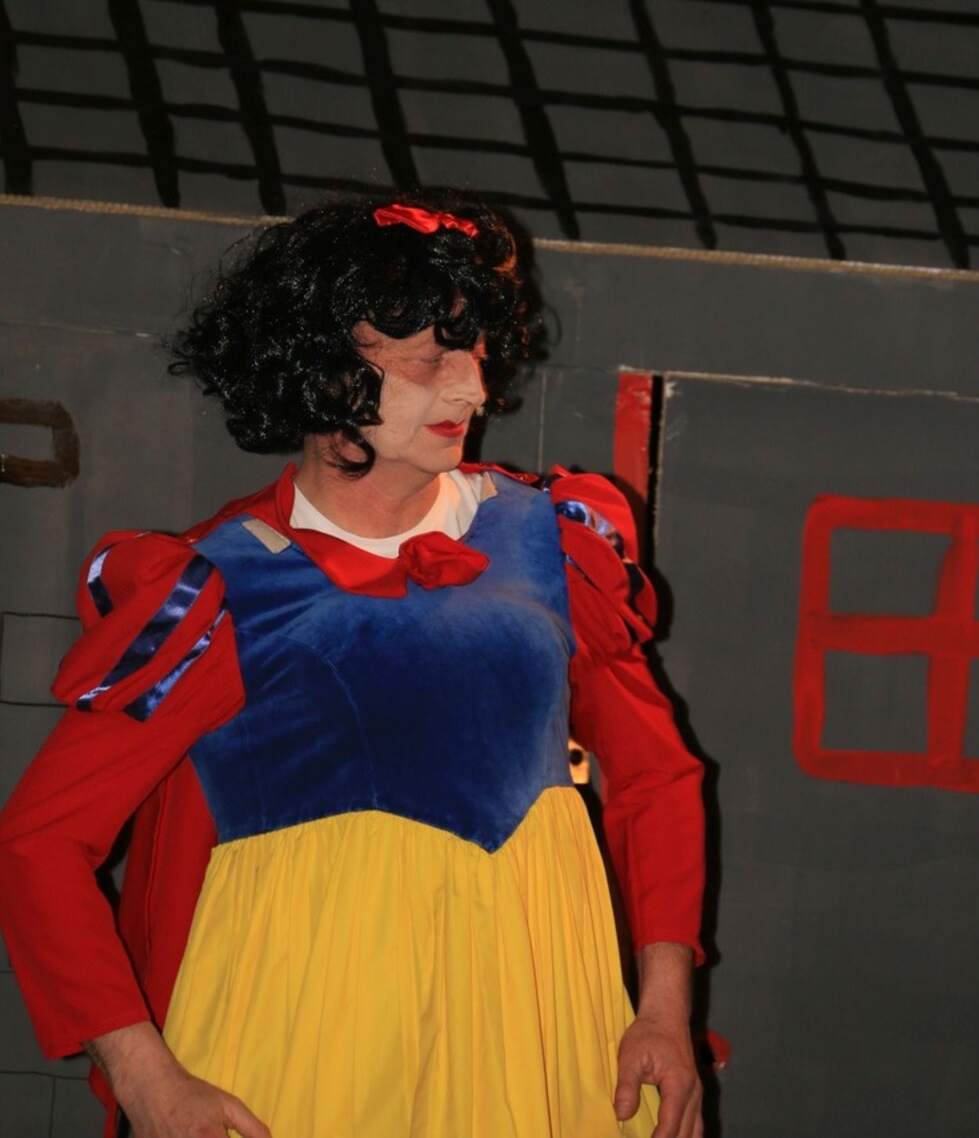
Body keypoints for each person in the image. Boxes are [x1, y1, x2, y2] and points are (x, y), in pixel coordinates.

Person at [0, 193, 705, 1138]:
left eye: (475, 353)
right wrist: (145, 1075)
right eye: (428, 361)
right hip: (303, 1049)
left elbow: (655, 775)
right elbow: (40, 842)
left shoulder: (550, 543)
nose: (471, 391)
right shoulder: (219, 590)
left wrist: (662, 1008)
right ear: (325, 368)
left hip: (540, 1039)